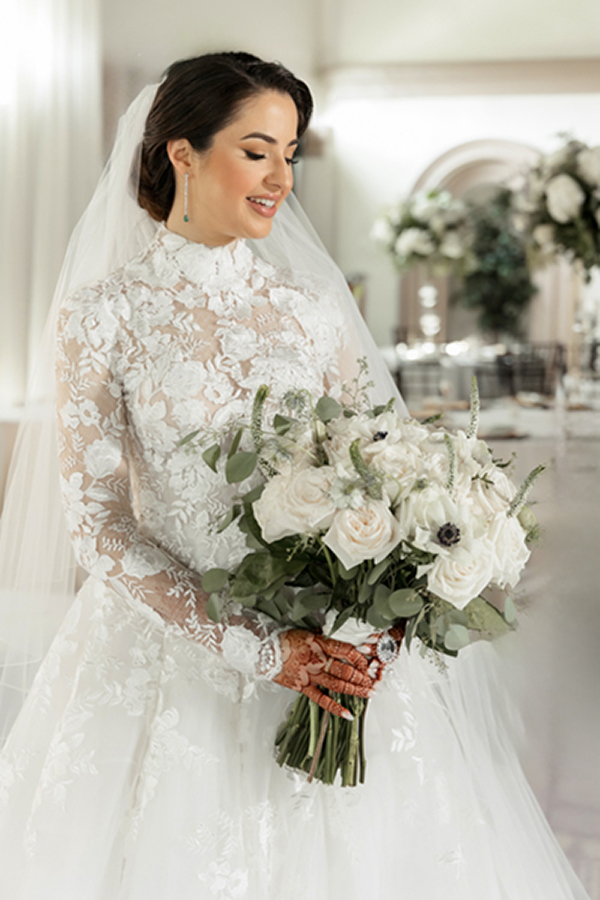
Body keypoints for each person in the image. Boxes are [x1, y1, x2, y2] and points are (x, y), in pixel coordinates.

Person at [0, 52, 591, 899]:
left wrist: (384, 603)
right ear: (182, 153)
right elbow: (99, 525)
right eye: (256, 150)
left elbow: (391, 466)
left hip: (334, 650)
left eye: (291, 153)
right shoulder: (104, 316)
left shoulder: (313, 309)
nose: (280, 176)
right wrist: (257, 649)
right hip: (176, 656)